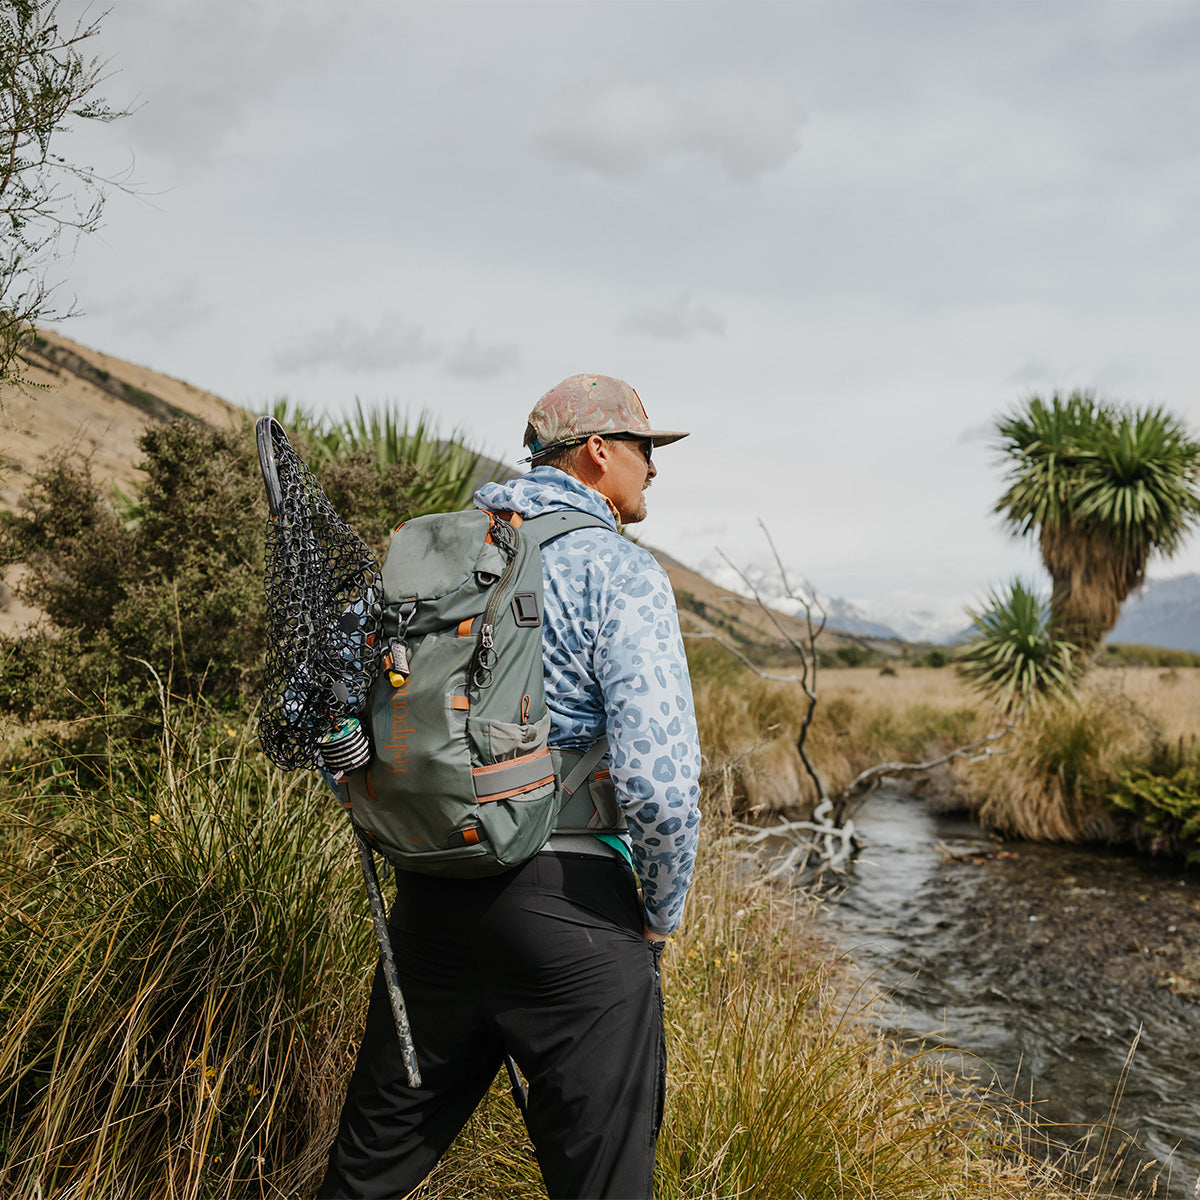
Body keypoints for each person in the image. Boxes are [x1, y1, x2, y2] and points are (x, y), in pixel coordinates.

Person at [319, 374, 702, 1200]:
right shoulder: (619, 571)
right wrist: (660, 919)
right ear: (598, 452)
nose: (653, 470)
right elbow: (661, 783)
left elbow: (324, 716)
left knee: (364, 1176)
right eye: (644, 449)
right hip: (573, 913)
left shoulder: (430, 556)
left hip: (430, 895)